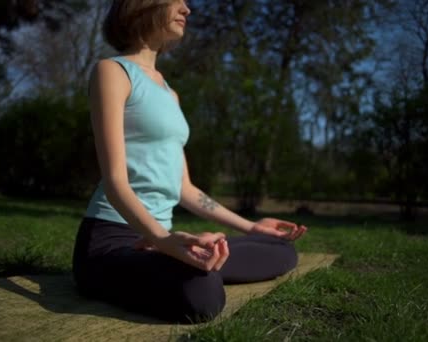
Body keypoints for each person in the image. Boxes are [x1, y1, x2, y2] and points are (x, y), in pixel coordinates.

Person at [72, 0, 308, 324]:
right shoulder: (112, 72)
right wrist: (163, 240)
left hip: (158, 242)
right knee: (202, 293)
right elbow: (115, 183)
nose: (187, 9)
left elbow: (185, 189)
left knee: (280, 250)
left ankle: (182, 258)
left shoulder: (170, 94)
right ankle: (175, 262)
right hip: (111, 243)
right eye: (176, 1)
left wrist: (251, 226)